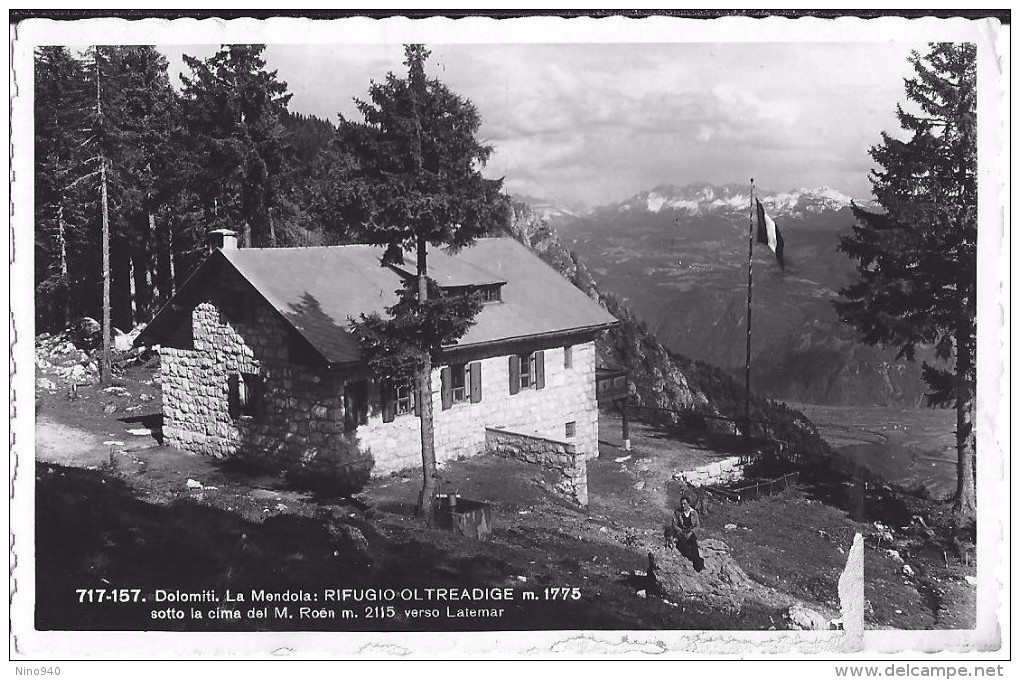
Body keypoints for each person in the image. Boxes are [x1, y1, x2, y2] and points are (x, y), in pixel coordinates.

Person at [667, 496, 705, 572]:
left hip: (690, 533)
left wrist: (691, 532)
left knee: (694, 547)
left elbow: (697, 525)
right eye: (682, 504)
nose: (683, 506)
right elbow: (674, 525)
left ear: (688, 504)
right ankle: (698, 561)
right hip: (681, 534)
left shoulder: (694, 513)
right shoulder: (677, 512)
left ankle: (698, 565)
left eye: (684, 504)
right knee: (685, 550)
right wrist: (680, 531)